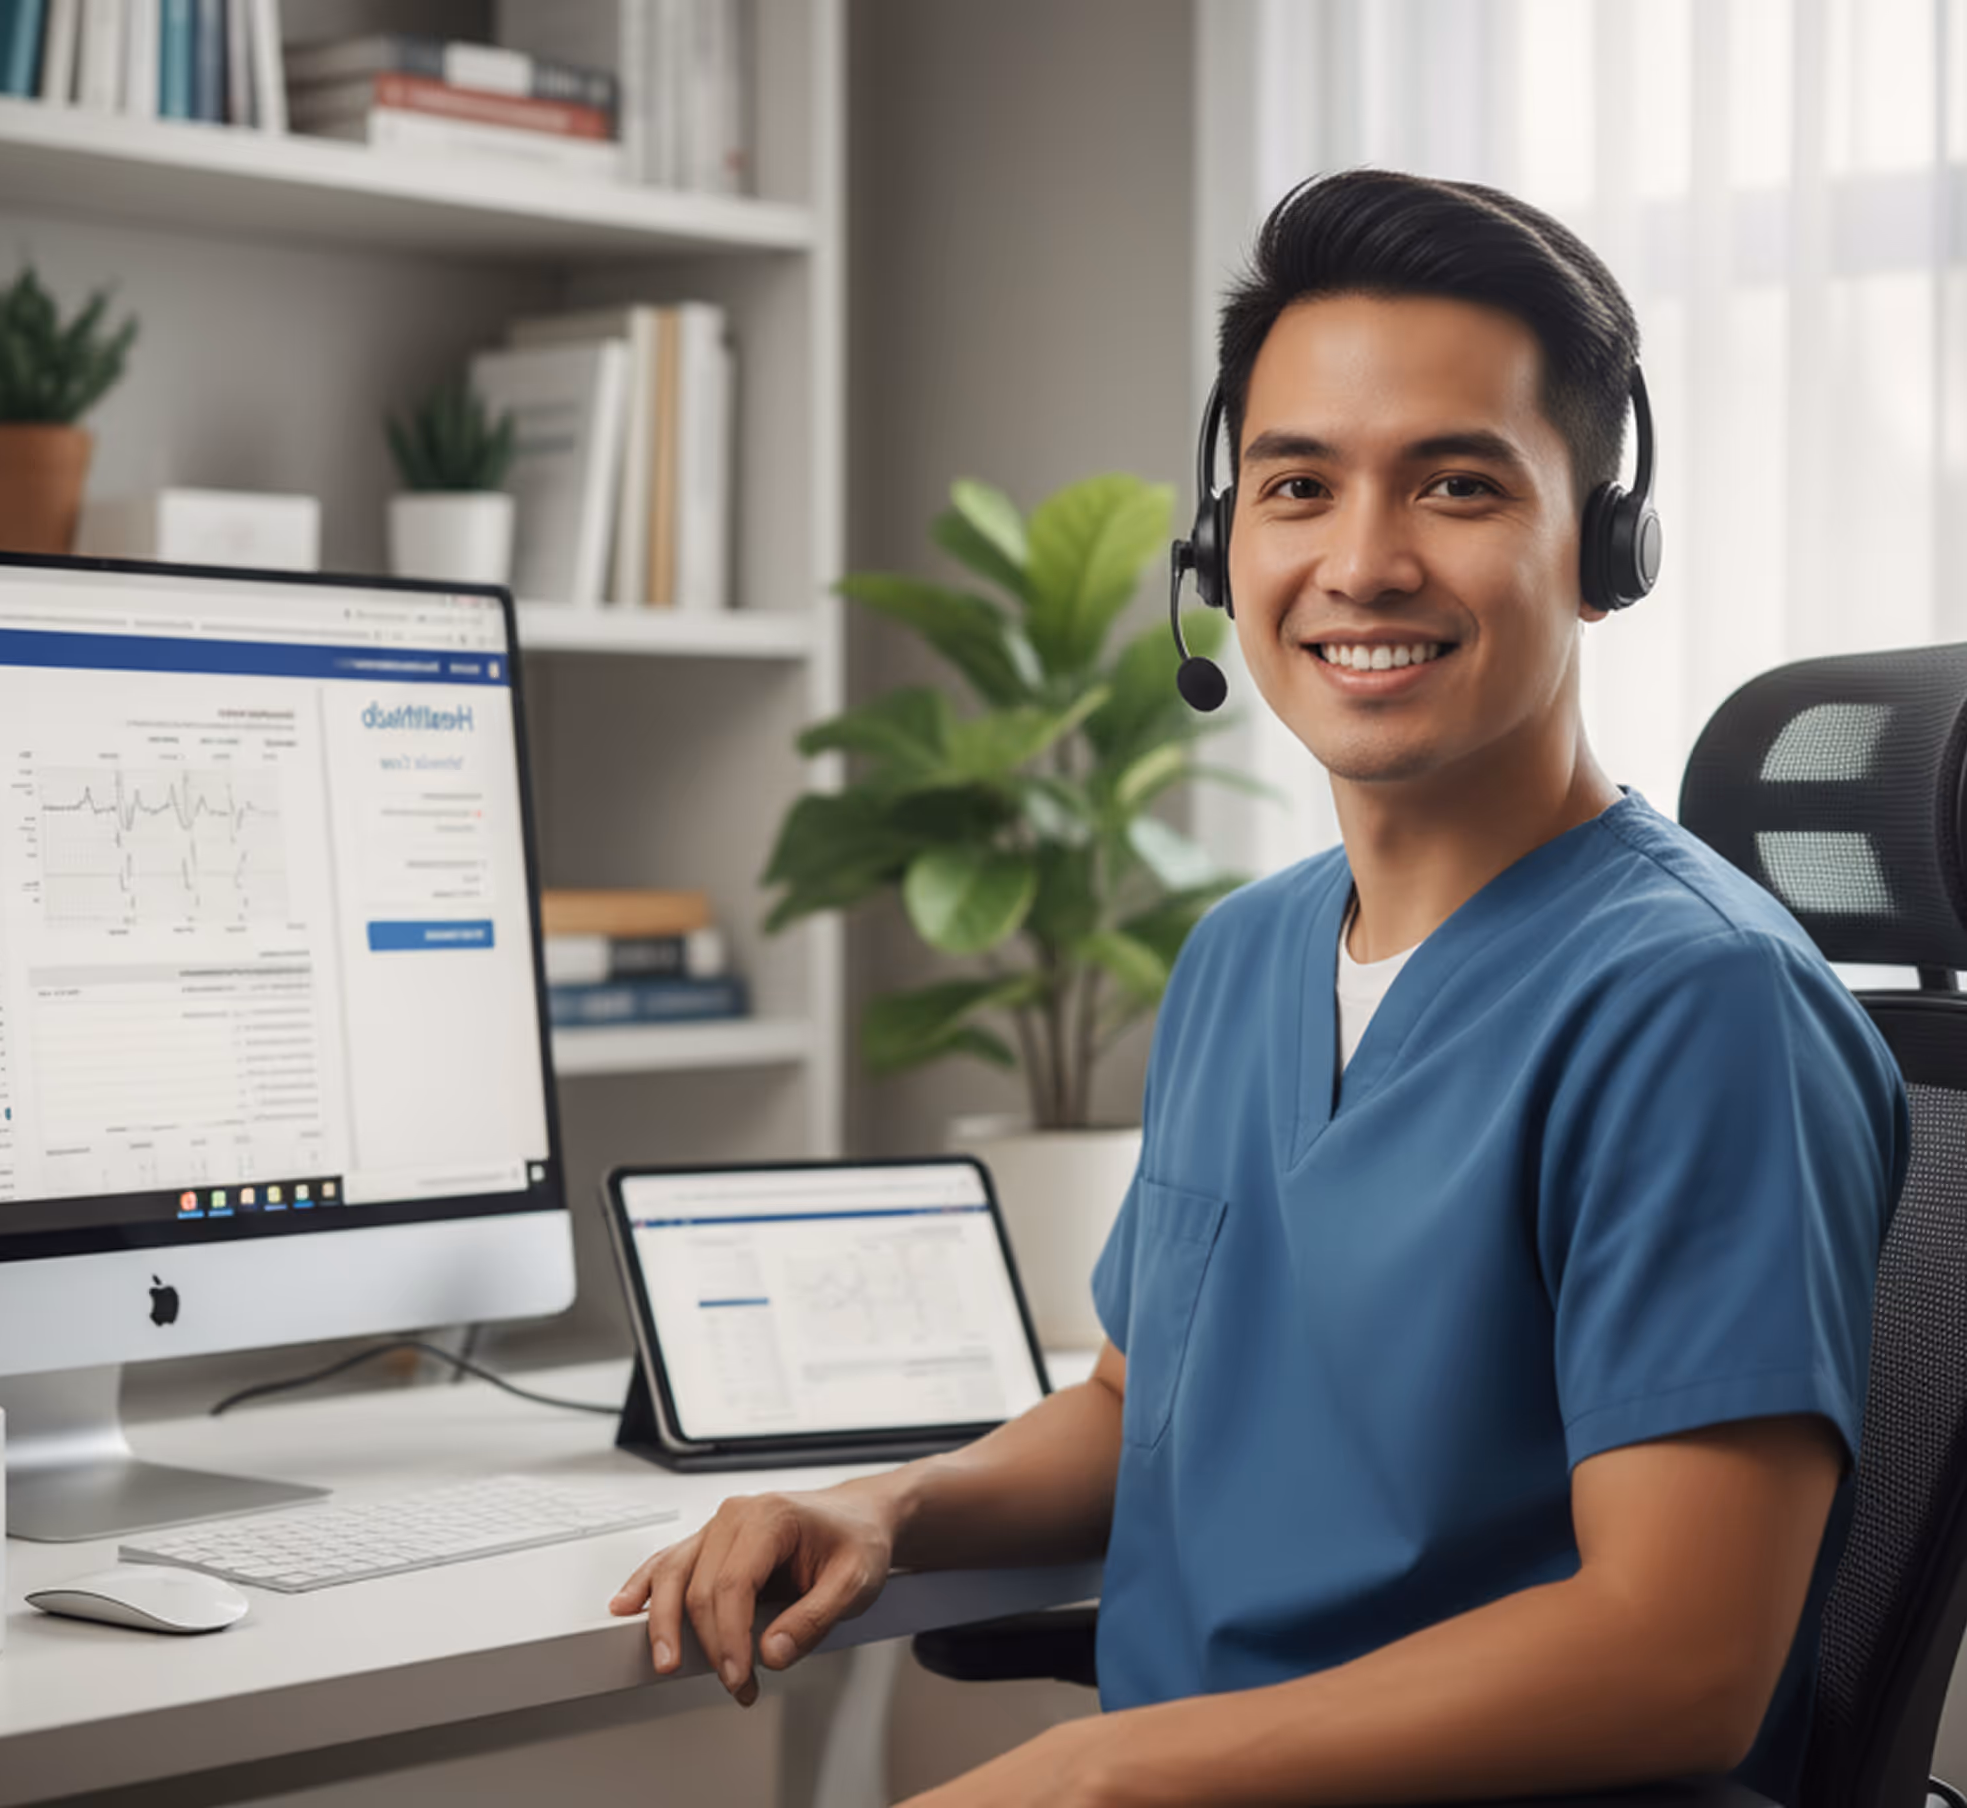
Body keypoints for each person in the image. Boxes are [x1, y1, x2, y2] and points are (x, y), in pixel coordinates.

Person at [608, 169, 1912, 1808]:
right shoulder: (1244, 956)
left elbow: (1677, 1658)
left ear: (1601, 547)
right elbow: (1136, 1402)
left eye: (1454, 486)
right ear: (1220, 549)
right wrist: (894, 1506)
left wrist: (1106, 1773)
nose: (1359, 563)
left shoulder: (1697, 1008)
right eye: (1295, 484)